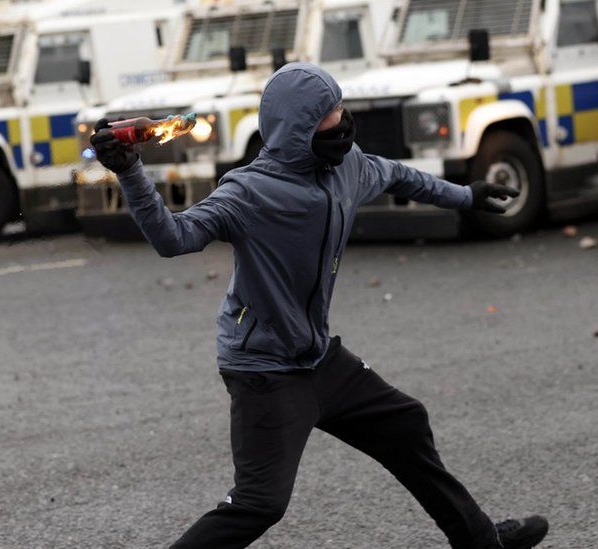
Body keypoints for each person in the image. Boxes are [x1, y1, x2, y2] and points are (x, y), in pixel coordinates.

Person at [90, 62, 549, 549]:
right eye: (330, 113)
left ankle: (481, 542)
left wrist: (465, 195)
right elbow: (172, 237)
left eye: (341, 105)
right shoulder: (247, 193)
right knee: (259, 503)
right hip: (264, 368)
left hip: (317, 357)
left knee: (404, 423)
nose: (343, 119)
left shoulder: (347, 166)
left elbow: (396, 175)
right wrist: (131, 172)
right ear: (300, 128)